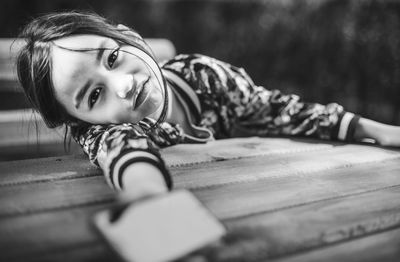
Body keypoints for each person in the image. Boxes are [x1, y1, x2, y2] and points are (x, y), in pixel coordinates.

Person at [17, 11, 400, 202]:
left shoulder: (206, 77)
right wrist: (148, 197)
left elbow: (277, 109)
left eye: (114, 57)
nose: (123, 85)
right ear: (78, 120)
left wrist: (379, 131)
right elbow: (122, 152)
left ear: (131, 38)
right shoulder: (105, 131)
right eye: (94, 96)